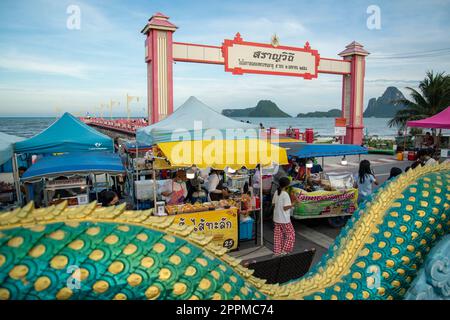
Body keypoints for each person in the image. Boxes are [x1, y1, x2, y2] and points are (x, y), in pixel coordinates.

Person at [272, 176, 296, 256]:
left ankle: (277, 252)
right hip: (284, 219)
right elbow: (285, 208)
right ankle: (285, 250)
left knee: (278, 236)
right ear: (287, 186)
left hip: (276, 218)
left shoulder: (277, 192)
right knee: (291, 234)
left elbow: (273, 204)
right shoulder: (285, 194)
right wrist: (294, 203)